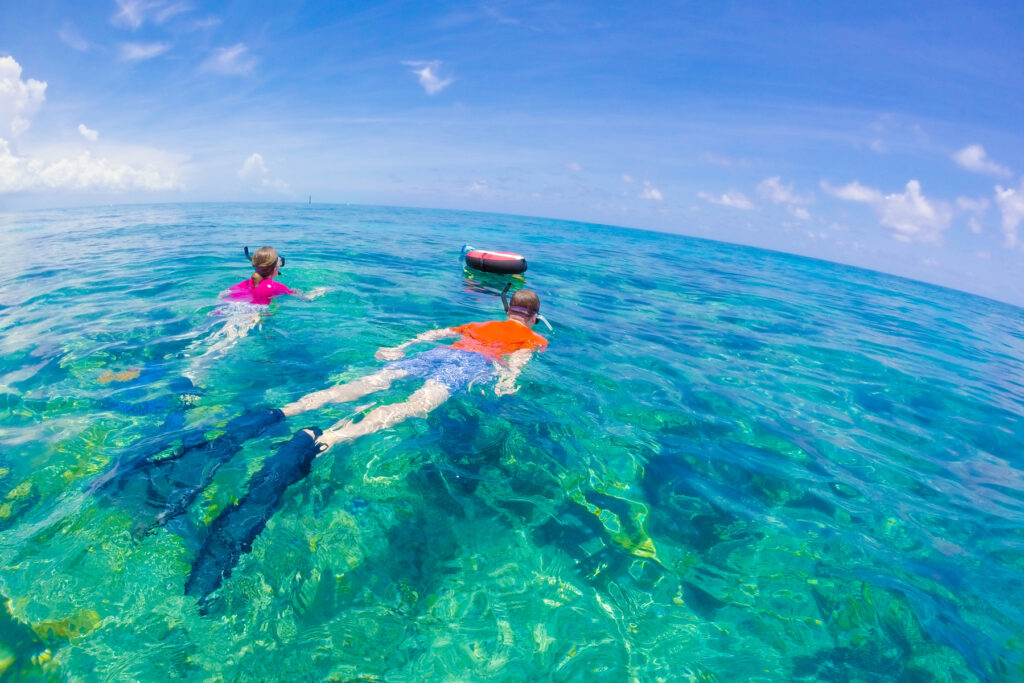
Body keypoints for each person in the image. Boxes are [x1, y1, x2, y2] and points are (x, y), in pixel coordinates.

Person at [183, 288, 549, 603]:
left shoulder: (481, 325)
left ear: (508, 310)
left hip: (440, 352)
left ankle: (292, 408)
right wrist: (506, 383)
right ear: (532, 317)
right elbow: (518, 360)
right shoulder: (535, 338)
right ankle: (333, 438)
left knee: (377, 380)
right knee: (414, 407)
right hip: (469, 365)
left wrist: (398, 347)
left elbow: (434, 333)